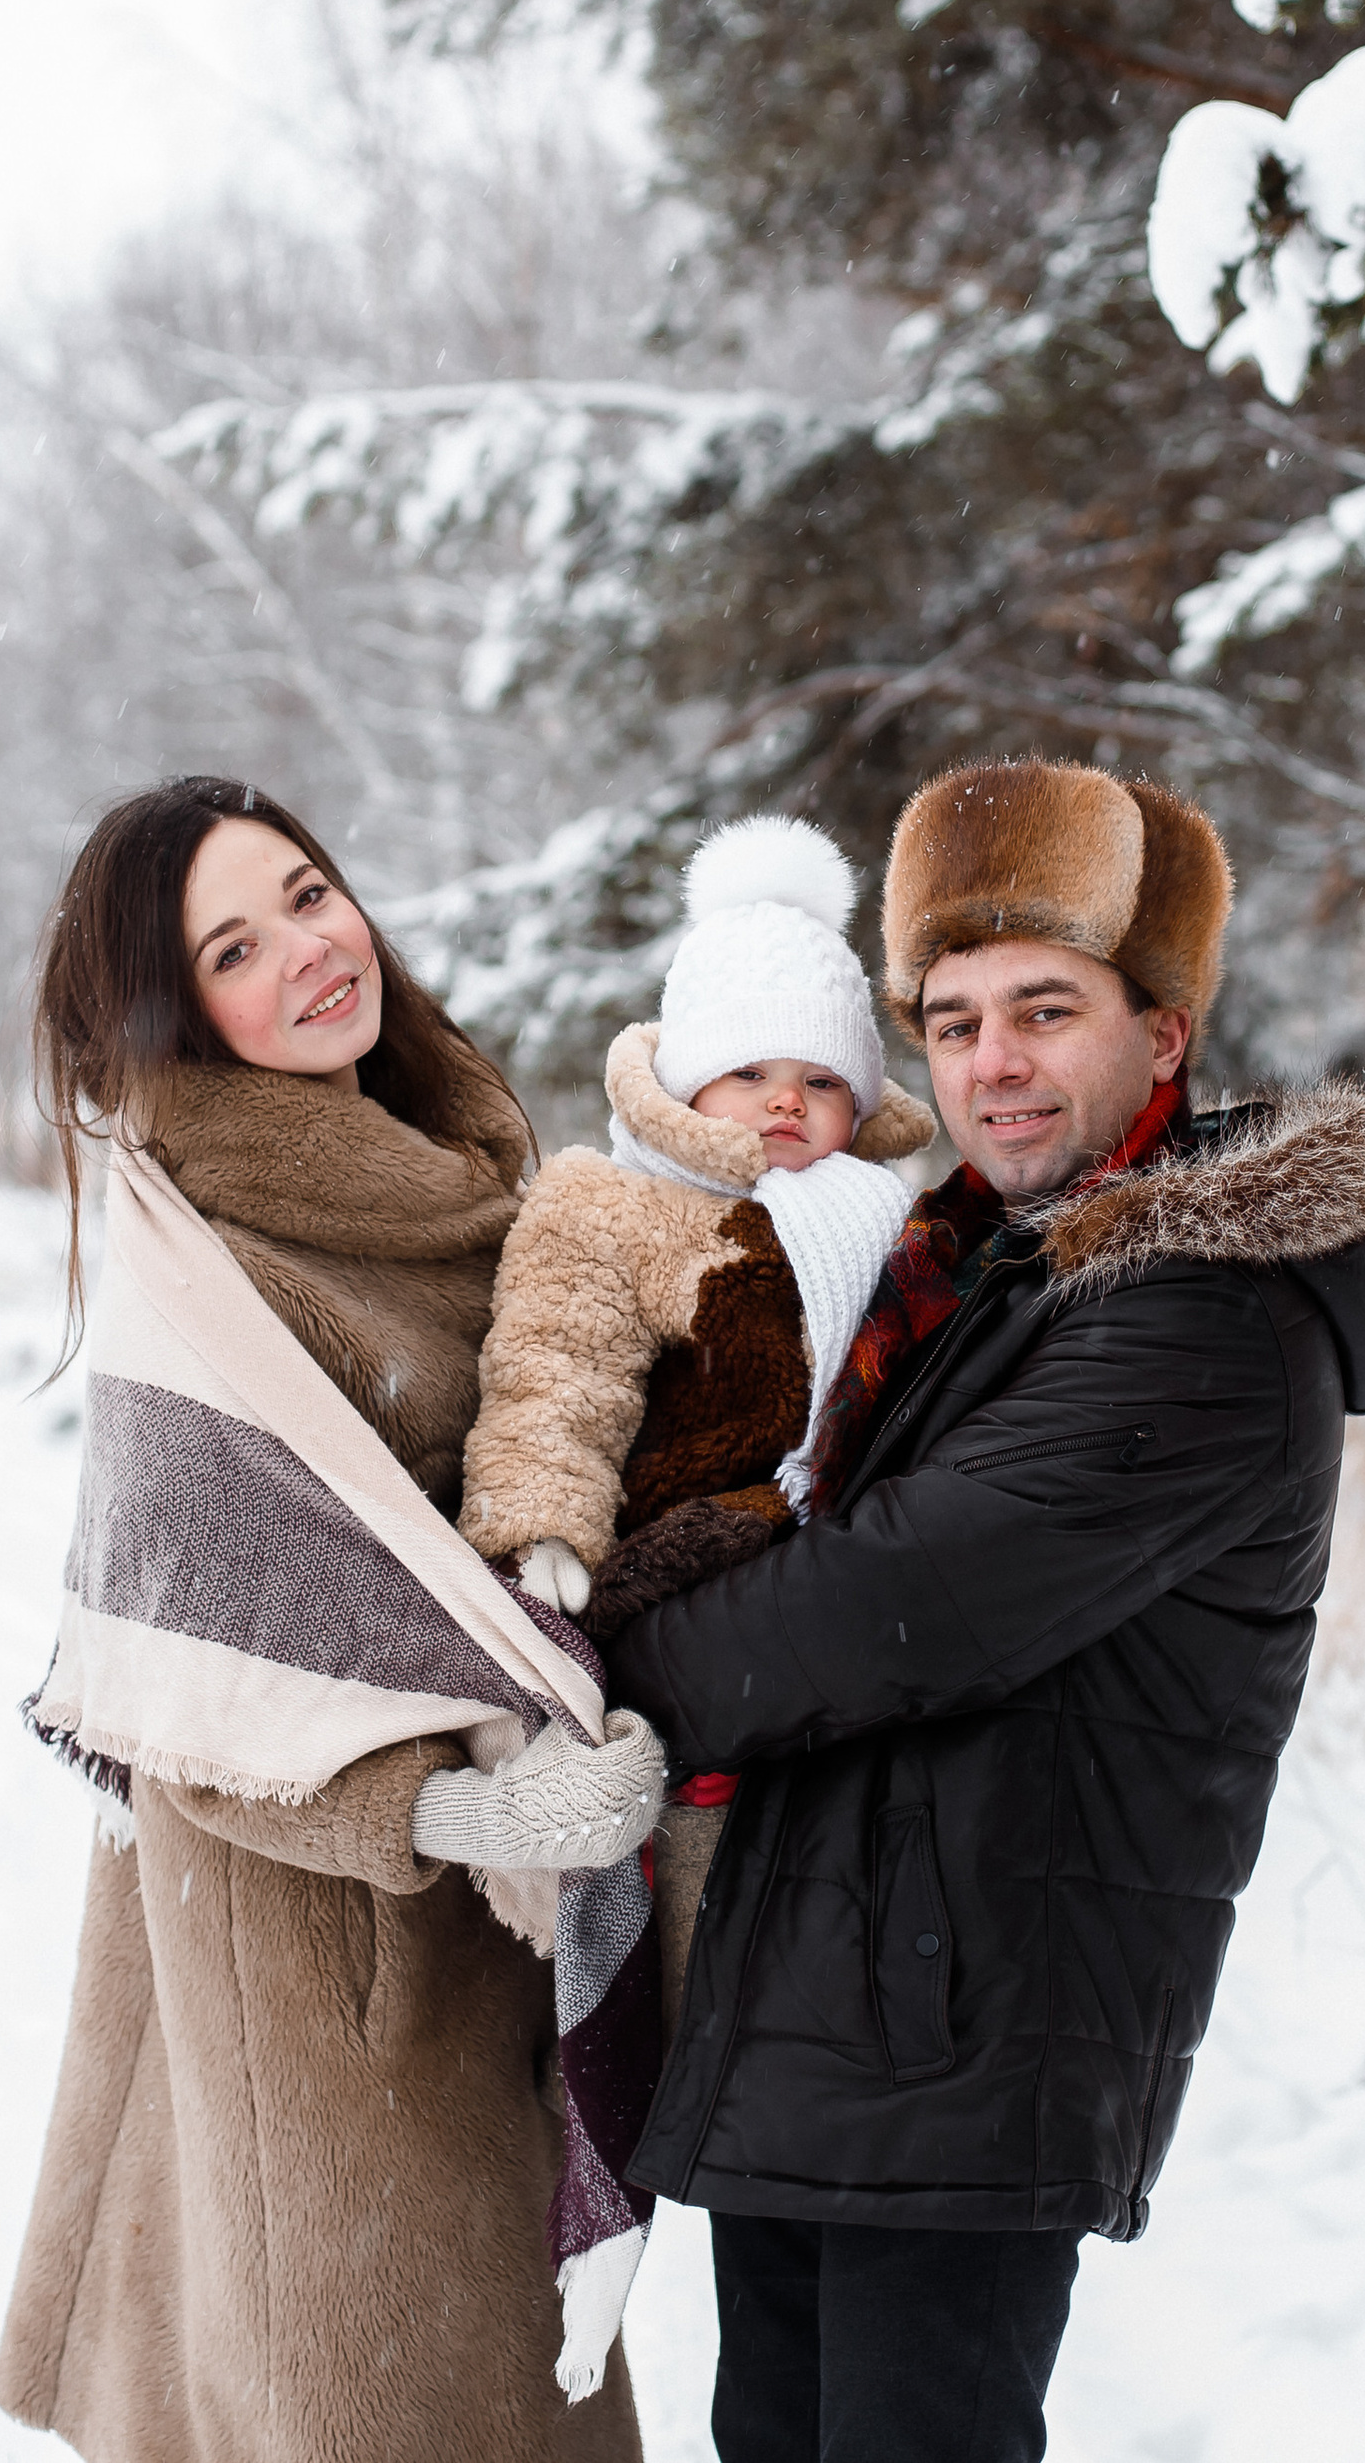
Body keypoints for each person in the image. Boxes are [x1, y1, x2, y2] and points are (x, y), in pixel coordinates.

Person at [601, 758, 1365, 2463]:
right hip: (836, 2009)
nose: (993, 1063)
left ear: (1162, 1036)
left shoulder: (1203, 1306)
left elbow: (886, 1605)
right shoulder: (974, 1268)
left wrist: (594, 1664)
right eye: (954, 1021)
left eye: (1045, 1010)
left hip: (968, 2025)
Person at [0, 777, 657, 2463]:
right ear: (177, 1014)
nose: (308, 948)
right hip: (324, 1994)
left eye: (307, 893)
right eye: (235, 944)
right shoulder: (213, 1266)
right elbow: (180, 1684)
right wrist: (452, 1805)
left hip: (490, 1945)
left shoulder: (456, 1177)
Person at [456, 817, 934, 2028]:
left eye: (823, 1079)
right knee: (702, 1849)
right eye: (752, 1071)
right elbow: (555, 1375)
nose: (788, 1100)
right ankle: (668, 2000)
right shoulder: (614, 1209)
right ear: (683, 1079)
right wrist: (543, 1525)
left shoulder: (883, 1214)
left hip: (840, 1579)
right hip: (683, 1567)